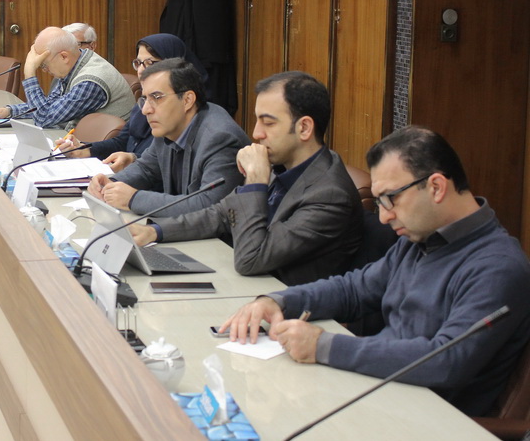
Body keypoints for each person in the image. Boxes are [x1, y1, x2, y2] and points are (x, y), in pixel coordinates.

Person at [221, 126, 530, 418]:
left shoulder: (498, 266)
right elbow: (353, 290)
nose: (383, 217)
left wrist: (324, 346)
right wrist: (278, 301)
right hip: (374, 390)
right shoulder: (421, 237)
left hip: (424, 418)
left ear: (436, 187)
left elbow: (444, 360)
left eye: (390, 199)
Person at [129, 71, 363, 284]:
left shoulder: (329, 195)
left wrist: (255, 183)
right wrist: (156, 231)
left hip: (281, 302)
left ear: (304, 128)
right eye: (258, 120)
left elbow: (251, 259)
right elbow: (220, 214)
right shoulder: (283, 164)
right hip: (246, 284)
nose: (256, 133)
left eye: (268, 123)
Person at [88, 58, 249, 217]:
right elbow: (146, 168)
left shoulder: (220, 138)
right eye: (145, 99)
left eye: (156, 97)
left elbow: (208, 206)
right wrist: (112, 184)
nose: (145, 110)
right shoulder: (169, 125)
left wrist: (133, 199)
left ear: (187, 100)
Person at [56, 33, 209, 172]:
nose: (141, 70)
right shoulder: (145, 102)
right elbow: (122, 142)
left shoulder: (184, 111)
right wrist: (85, 149)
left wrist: (132, 161)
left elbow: (165, 165)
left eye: (150, 63)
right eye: (138, 63)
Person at [0, 27, 134, 130]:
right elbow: (51, 107)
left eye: (44, 65)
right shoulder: (76, 62)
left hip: (102, 157)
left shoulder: (90, 81)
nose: (45, 71)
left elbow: (44, 119)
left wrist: (29, 74)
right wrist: (9, 111)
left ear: (64, 56)